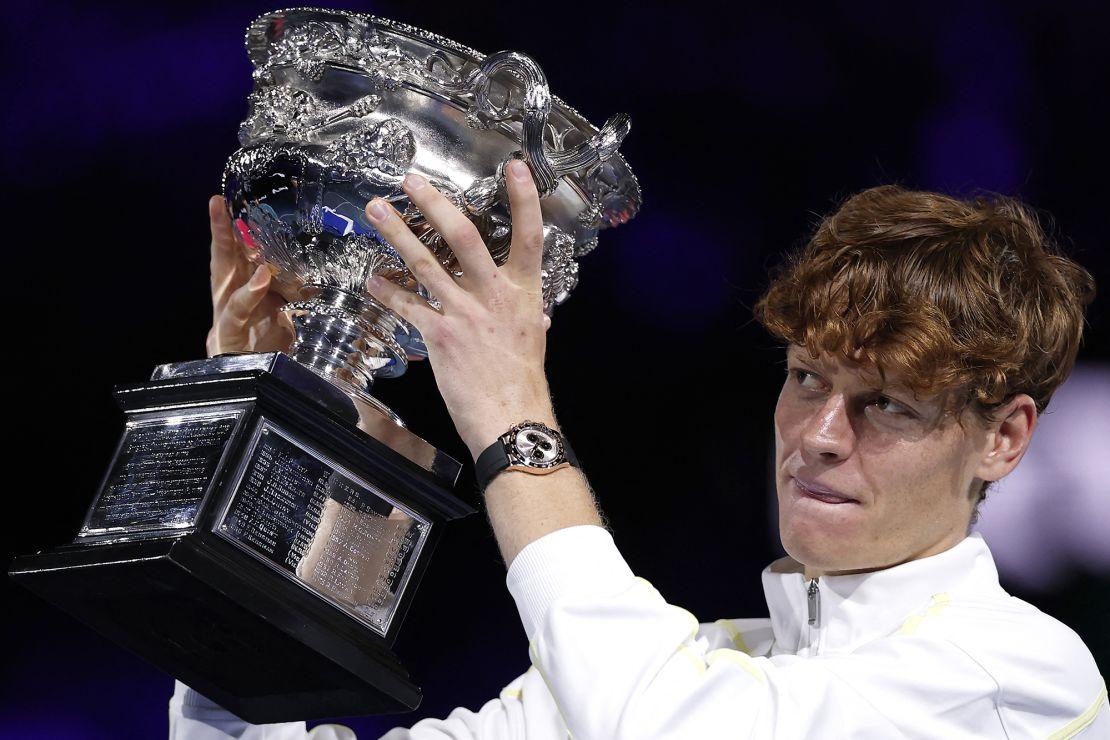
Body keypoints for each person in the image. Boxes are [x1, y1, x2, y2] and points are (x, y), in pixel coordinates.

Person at [172, 164, 1107, 738]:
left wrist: (511, 416)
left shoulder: (1016, 675)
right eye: (808, 379)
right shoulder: (679, 665)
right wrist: (271, 444)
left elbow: (665, 730)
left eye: (889, 406)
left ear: (1005, 439)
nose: (819, 437)